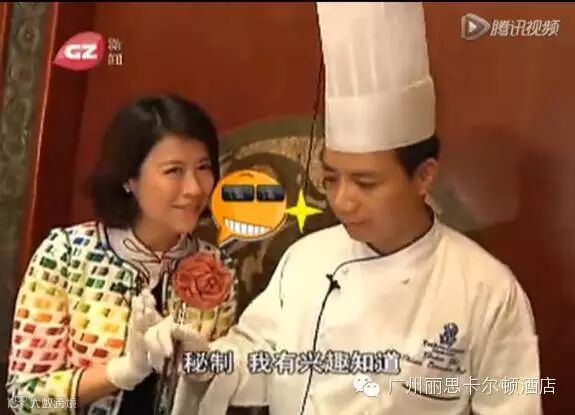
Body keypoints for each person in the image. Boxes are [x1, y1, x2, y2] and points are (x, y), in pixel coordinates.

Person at [149, 4, 543, 415]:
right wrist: (205, 362)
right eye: (332, 178)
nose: (342, 200)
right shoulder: (306, 259)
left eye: (366, 183)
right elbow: (259, 356)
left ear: (424, 176)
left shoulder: (486, 291)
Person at [5, 94, 238, 415]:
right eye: (174, 171)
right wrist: (120, 373)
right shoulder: (67, 254)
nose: (195, 188)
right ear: (130, 179)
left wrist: (205, 368)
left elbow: (230, 384)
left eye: (203, 167)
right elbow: (25, 402)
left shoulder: (217, 268)